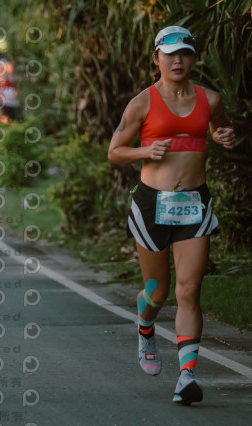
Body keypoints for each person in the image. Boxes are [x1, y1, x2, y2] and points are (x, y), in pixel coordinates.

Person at [108, 26, 236, 405]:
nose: (177, 60)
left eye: (184, 54)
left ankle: (187, 376)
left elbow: (220, 128)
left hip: (195, 204)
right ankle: (146, 327)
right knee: (157, 291)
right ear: (156, 59)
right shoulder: (142, 103)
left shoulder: (210, 99)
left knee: (189, 290)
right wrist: (144, 152)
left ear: (193, 58)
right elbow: (115, 151)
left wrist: (224, 136)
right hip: (152, 204)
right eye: (169, 54)